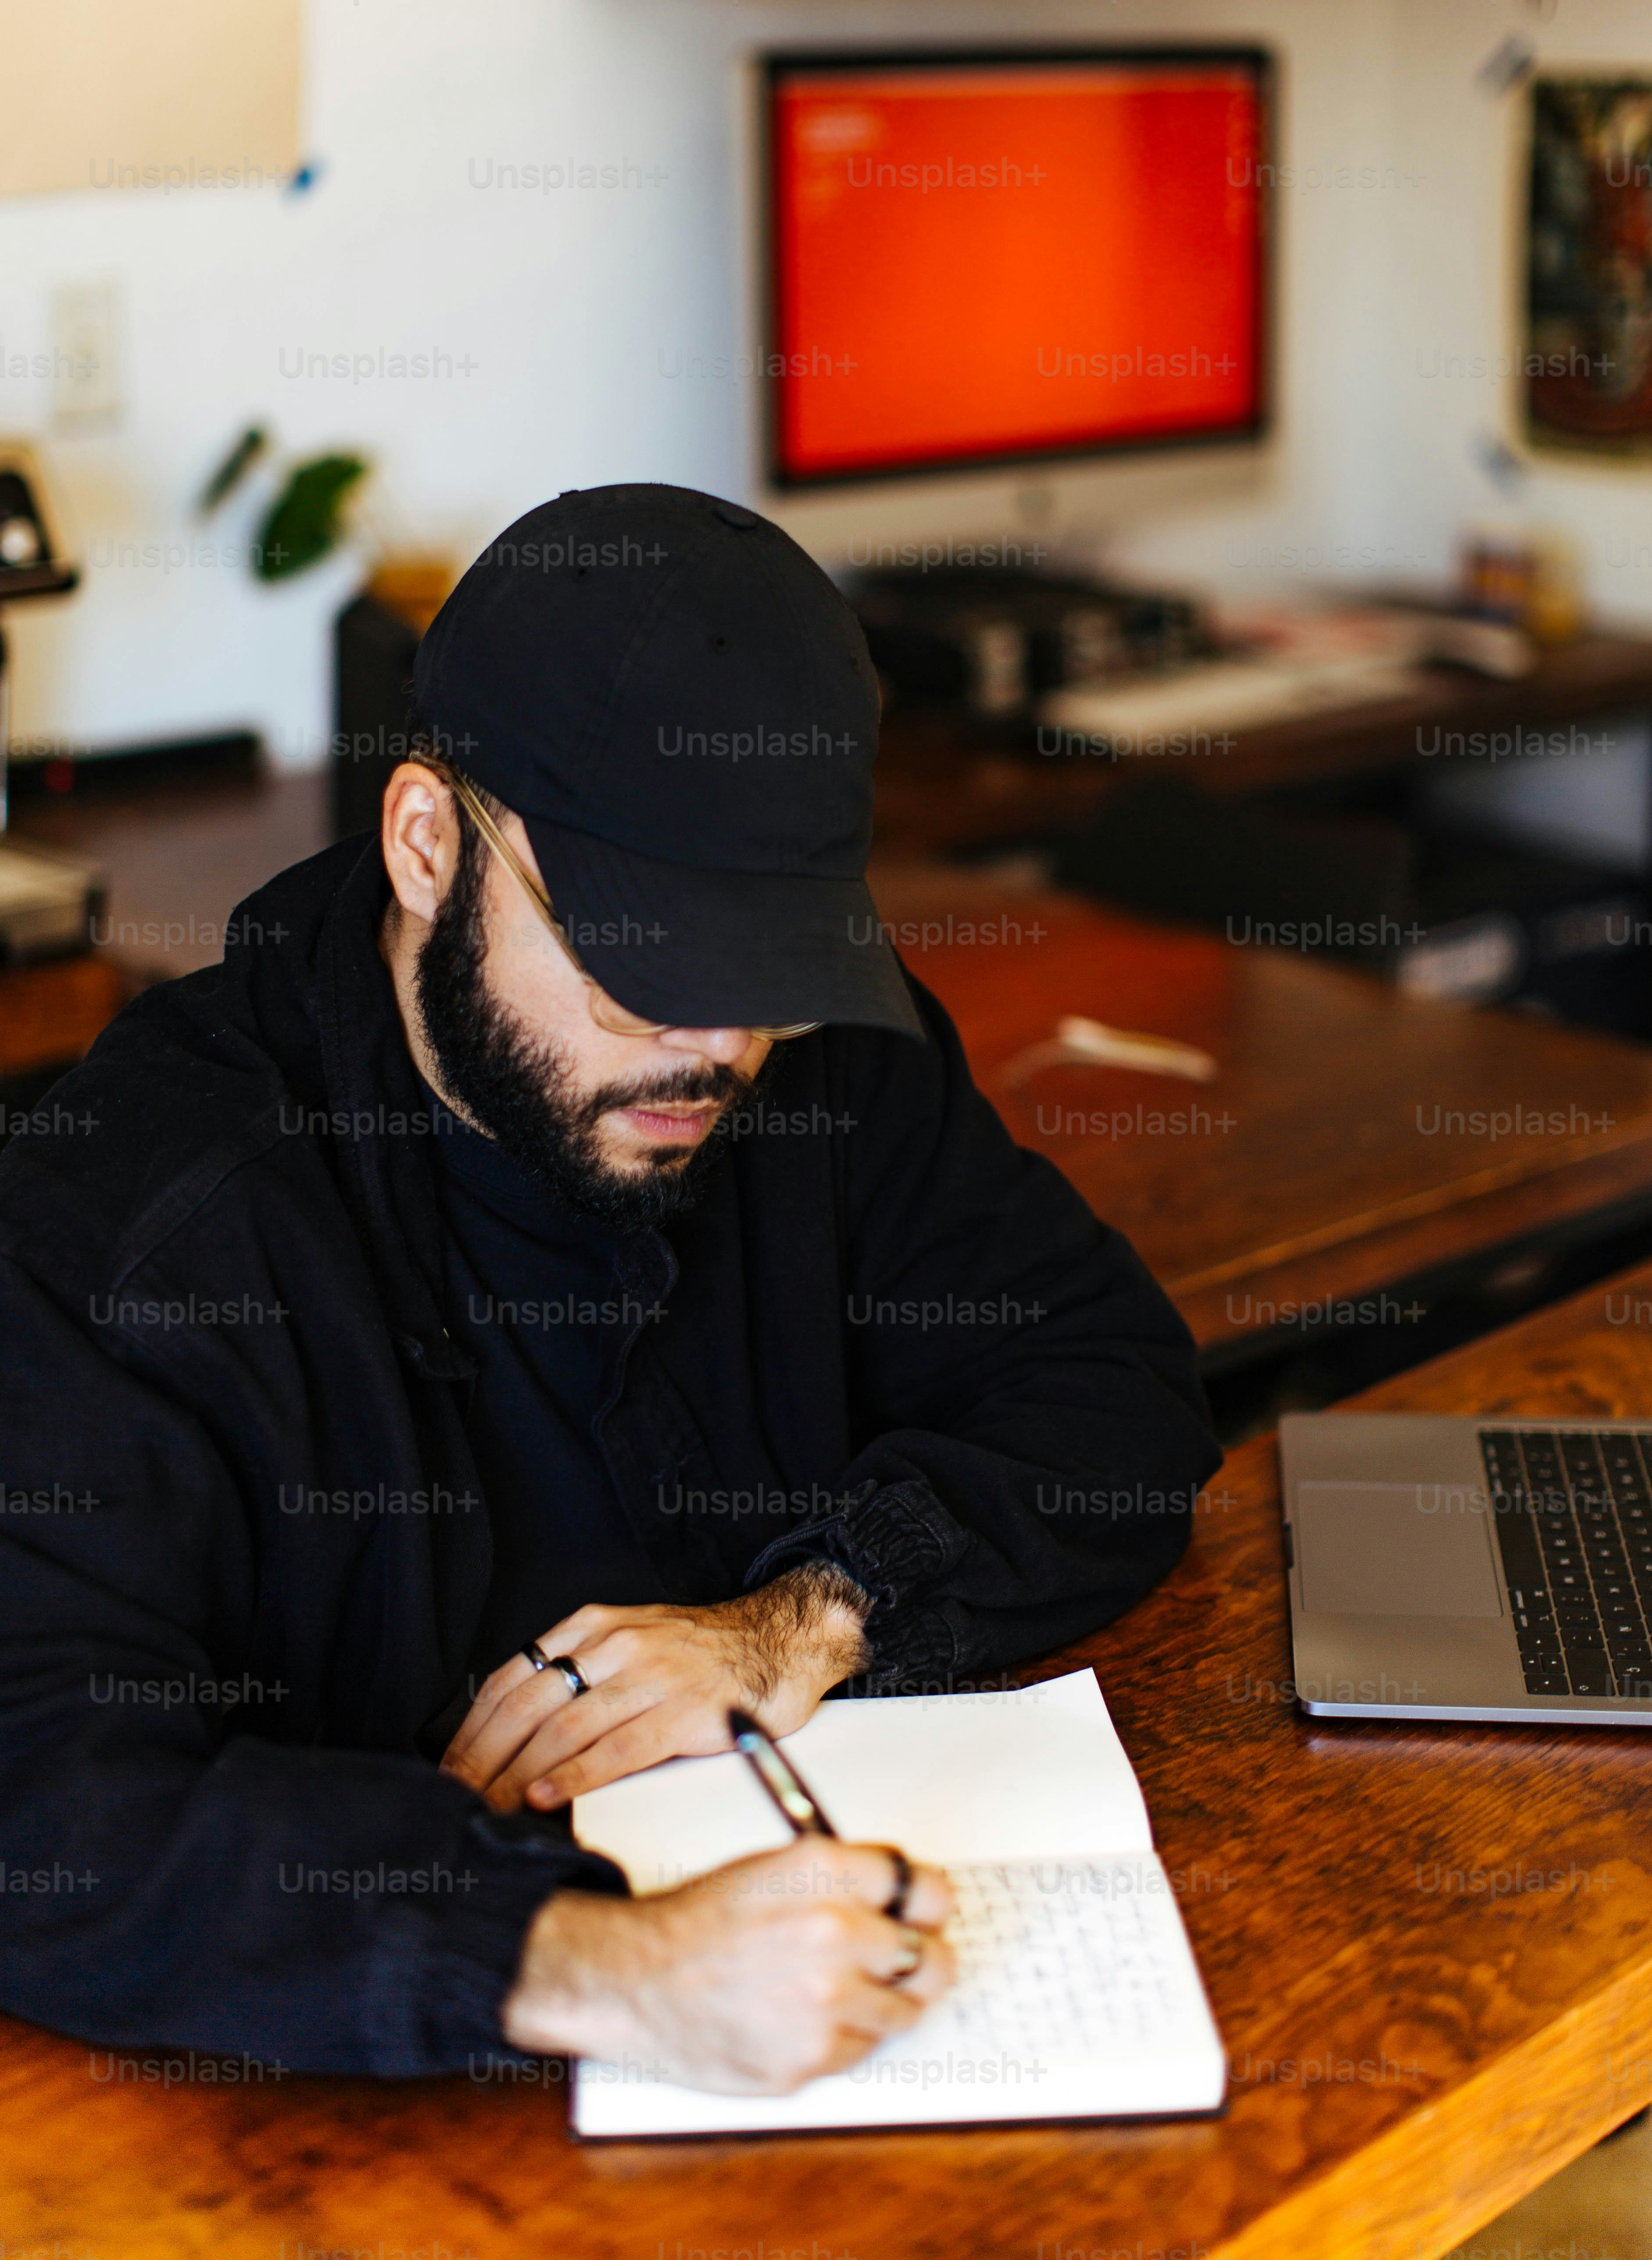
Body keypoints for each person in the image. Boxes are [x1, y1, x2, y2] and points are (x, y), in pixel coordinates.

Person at [0, 484, 1219, 2089]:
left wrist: (808, 1613)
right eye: (647, 962)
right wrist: (596, 1968)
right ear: (430, 842)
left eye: (769, 969)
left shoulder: (813, 1064)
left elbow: (1112, 1385)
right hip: (341, 2121)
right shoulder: (147, 1219)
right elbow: (47, 1797)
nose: (715, 1049)